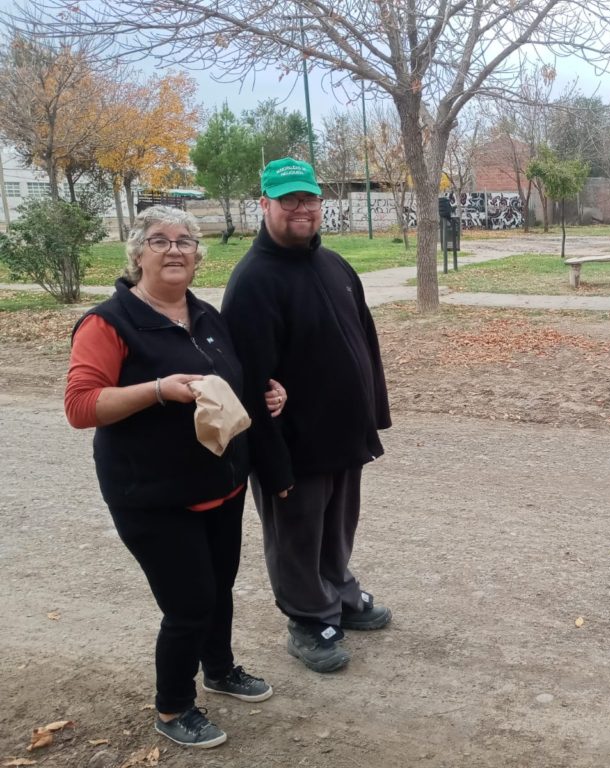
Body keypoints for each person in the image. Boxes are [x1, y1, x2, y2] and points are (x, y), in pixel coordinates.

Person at [65, 206, 287, 749]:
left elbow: (233, 382)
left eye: (185, 241)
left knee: (220, 590)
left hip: (222, 487)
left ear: (197, 254)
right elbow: (80, 405)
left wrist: (268, 394)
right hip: (153, 497)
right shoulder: (109, 323)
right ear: (137, 252)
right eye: (159, 240)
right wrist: (158, 389)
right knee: (189, 604)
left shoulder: (208, 316)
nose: (174, 250)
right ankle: (173, 708)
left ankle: (220, 668)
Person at [221, 157, 392, 674]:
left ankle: (338, 592)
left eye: (310, 199)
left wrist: (373, 416)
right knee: (296, 533)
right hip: (293, 443)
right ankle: (307, 619)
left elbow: (366, 343)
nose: (302, 209)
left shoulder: (335, 265)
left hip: (343, 434)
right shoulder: (253, 280)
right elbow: (248, 382)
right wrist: (270, 463)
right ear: (265, 205)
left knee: (338, 525)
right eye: (290, 199)